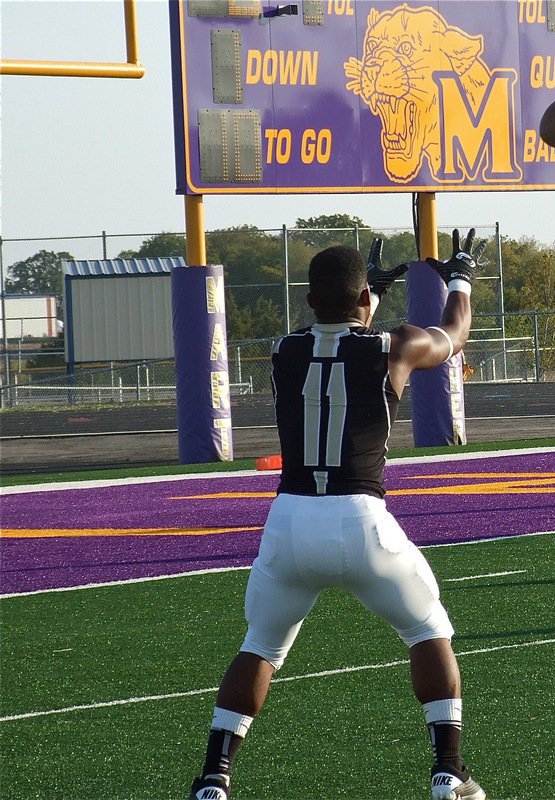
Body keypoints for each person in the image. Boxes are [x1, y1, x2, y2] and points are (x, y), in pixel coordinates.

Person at [188, 231, 488, 800]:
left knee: (262, 645)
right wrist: (461, 276)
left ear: (308, 300)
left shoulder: (284, 349)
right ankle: (449, 772)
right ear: (363, 303)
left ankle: (214, 778)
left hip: (291, 522)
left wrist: (362, 294)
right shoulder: (391, 348)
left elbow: (334, 335)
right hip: (361, 518)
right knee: (428, 630)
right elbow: (455, 333)